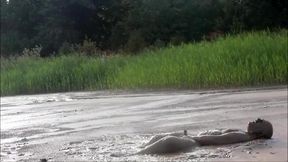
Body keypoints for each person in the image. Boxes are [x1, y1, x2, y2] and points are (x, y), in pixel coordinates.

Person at [137, 118, 273, 155]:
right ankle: (138, 151)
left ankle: (137, 153)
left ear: (260, 134)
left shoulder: (242, 136)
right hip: (193, 138)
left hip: (195, 142)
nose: (256, 120)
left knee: (167, 141)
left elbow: (216, 140)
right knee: (157, 139)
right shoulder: (243, 133)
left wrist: (190, 138)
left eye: (260, 121)